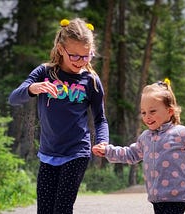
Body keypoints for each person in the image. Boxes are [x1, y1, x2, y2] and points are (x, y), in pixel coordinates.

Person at [92, 79, 185, 214]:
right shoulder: (145, 137)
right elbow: (130, 154)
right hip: (156, 197)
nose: (147, 117)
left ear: (169, 111)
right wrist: (107, 150)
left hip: (175, 197)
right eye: (143, 112)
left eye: (152, 111)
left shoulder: (180, 133)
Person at [9, 18, 109, 214]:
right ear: (61, 49)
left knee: (62, 209)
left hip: (77, 151)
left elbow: (100, 119)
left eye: (86, 56)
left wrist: (103, 141)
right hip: (48, 153)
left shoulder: (91, 81)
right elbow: (14, 98)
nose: (81, 62)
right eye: (75, 56)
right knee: (45, 210)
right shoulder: (45, 72)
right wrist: (32, 88)